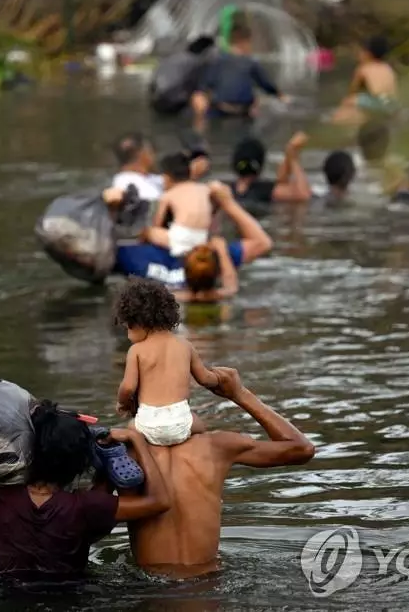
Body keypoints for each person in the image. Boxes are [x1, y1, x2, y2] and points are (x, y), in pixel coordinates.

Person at [106, 366, 316, 579]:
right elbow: (301, 449)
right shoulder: (217, 446)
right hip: (208, 582)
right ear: (183, 399)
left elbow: (86, 515)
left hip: (148, 587)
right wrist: (240, 394)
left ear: (131, 403)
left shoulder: (119, 455)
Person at [0, 400, 171, 581]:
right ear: (79, 463)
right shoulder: (86, 506)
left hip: (3, 591)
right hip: (70, 595)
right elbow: (160, 501)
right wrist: (137, 441)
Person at [113, 278, 222, 446]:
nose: (128, 334)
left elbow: (128, 387)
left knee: (129, 431)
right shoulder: (185, 345)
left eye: (127, 327)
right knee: (202, 428)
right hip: (182, 421)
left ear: (138, 323)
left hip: (146, 424)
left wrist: (122, 403)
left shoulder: (136, 351)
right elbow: (205, 379)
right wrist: (221, 378)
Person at [109, 181, 272, 287]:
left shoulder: (132, 256)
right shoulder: (212, 259)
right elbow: (263, 243)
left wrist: (109, 208)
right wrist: (228, 203)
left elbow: (94, 251)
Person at [190, 23, 288, 133]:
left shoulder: (215, 61)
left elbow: (202, 89)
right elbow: (267, 86)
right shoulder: (251, 63)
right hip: (242, 114)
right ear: (245, 42)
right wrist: (282, 96)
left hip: (217, 112)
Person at [142, 152, 213, 257]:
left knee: (149, 231)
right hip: (202, 238)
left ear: (166, 177)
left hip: (179, 239)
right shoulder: (203, 189)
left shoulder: (168, 195)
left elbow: (157, 223)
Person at [110, 131, 210, 202]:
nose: (154, 155)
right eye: (150, 151)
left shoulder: (146, 178)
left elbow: (172, 182)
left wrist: (192, 172)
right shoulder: (128, 183)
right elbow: (157, 205)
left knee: (213, 190)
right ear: (141, 154)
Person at [225, 131, 312, 206]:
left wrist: (288, 155)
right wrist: (293, 158)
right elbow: (303, 195)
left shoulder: (225, 191)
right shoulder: (265, 190)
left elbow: (281, 182)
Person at [331, 35, 399, 126]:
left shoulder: (363, 68)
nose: (358, 55)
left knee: (349, 101)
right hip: (391, 103)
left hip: (375, 102)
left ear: (367, 54)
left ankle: (336, 121)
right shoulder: (387, 68)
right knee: (371, 105)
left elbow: (353, 90)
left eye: (360, 52)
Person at [149, 36, 217, 116]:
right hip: (175, 103)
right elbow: (198, 86)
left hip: (157, 101)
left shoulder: (173, 57)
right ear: (206, 51)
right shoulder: (195, 62)